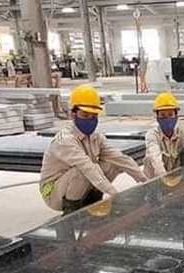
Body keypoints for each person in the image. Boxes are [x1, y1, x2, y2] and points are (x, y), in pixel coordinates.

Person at [40, 84, 149, 213]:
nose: (90, 120)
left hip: (78, 185)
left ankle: (93, 201)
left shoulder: (96, 137)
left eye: (94, 116)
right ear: (73, 114)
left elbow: (120, 158)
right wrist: (114, 195)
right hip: (53, 191)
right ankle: (71, 211)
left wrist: (146, 181)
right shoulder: (65, 140)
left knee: (112, 163)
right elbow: (87, 167)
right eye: (85, 115)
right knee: (82, 171)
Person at [144, 92, 184, 178]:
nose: (167, 118)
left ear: (176, 116)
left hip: (177, 177)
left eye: (170, 114)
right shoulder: (152, 135)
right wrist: (165, 179)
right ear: (157, 117)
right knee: (149, 158)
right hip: (155, 178)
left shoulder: (183, 133)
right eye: (162, 115)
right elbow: (156, 159)